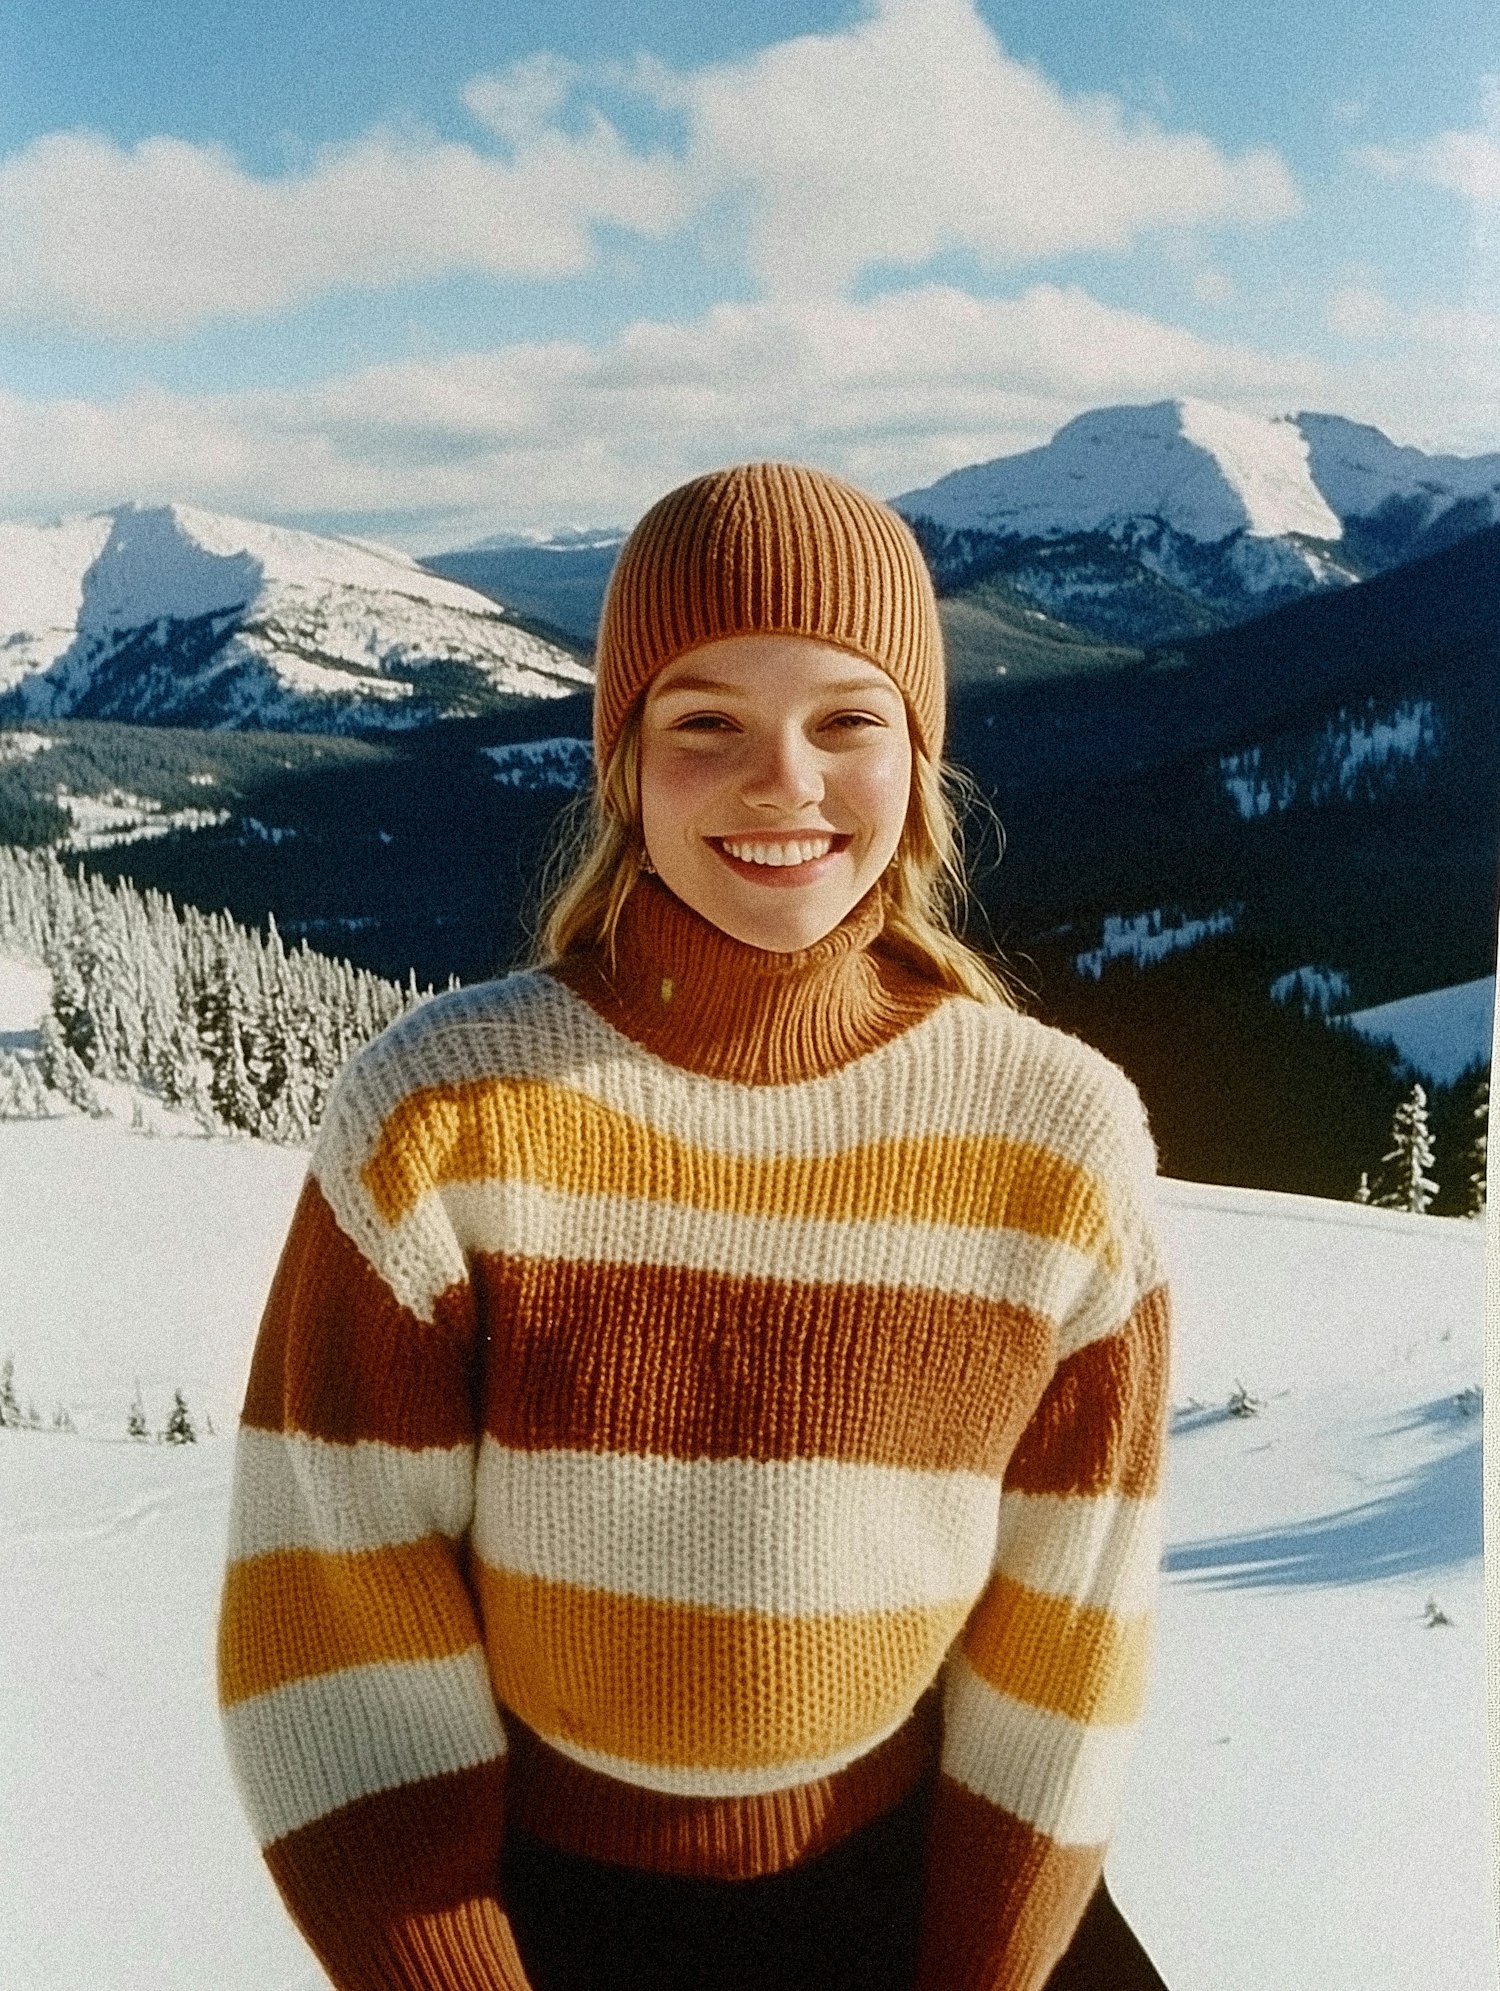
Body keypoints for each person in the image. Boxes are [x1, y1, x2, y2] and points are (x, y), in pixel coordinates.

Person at [218, 461, 1171, 1991]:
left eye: (847, 719)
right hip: (545, 1915)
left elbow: (1071, 1620)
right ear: (623, 766)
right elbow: (336, 1609)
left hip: (930, 1890)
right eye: (704, 721)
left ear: (920, 761)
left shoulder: (1053, 1138)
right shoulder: (444, 1118)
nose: (781, 779)